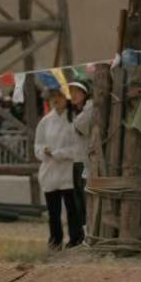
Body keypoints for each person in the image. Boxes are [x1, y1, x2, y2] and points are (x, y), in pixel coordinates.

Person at [34, 88, 84, 249]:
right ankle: (55, 240)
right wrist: (44, 152)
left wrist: (60, 153)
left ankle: (76, 239)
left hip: (69, 170)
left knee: (72, 209)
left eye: (60, 96)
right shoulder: (46, 121)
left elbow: (78, 146)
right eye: (53, 97)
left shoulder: (74, 118)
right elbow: (38, 144)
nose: (56, 99)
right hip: (50, 170)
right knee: (53, 211)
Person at [69, 81, 94, 229]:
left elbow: (81, 126)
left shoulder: (89, 108)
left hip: (86, 161)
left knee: (86, 201)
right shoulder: (76, 111)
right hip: (76, 160)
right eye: (71, 91)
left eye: (77, 91)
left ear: (84, 94)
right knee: (78, 203)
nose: (73, 95)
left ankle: (88, 234)